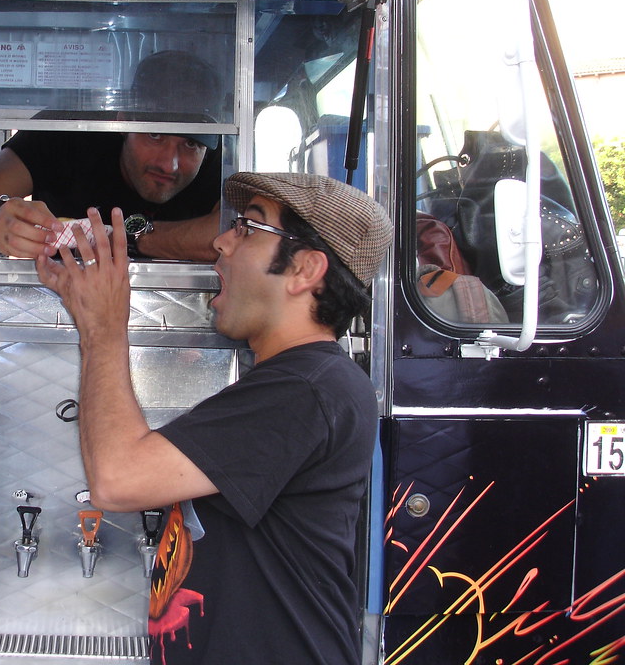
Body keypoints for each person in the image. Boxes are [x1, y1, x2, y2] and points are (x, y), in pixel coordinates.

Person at [35, 172, 393, 665]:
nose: (222, 242)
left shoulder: (307, 391)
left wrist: (102, 325)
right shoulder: (296, 382)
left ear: (306, 269)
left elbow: (119, 479)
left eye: (249, 228)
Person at [0, 50, 225, 262]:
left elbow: (236, 235)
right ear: (123, 122)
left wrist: (121, 238)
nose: (169, 163)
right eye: (155, 135)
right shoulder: (66, 133)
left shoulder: (218, 158)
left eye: (190, 144)